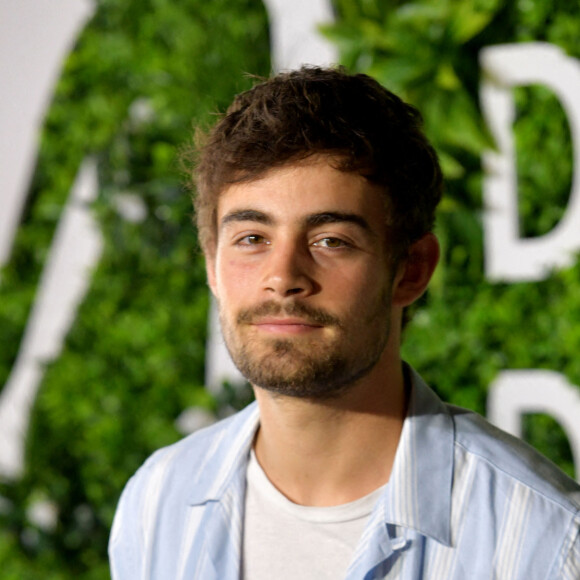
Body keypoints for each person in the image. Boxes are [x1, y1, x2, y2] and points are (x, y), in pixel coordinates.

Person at [109, 66, 580, 579]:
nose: (283, 277)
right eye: (251, 239)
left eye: (330, 240)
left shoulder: (546, 541)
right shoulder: (156, 504)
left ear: (412, 270)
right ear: (211, 265)